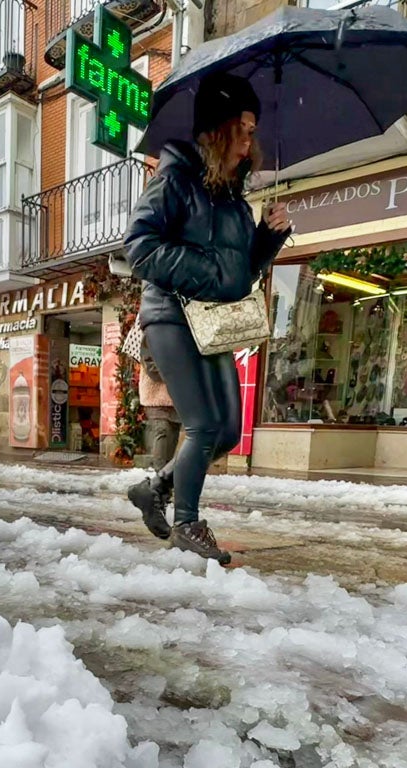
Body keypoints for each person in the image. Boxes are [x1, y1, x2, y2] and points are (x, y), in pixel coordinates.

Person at [123, 71, 292, 563]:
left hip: (213, 321)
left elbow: (241, 274)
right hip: (172, 316)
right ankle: (188, 524)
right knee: (202, 424)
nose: (249, 139)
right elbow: (140, 246)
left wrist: (267, 238)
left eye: (253, 129)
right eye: (242, 128)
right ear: (217, 129)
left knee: (228, 432)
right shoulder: (174, 179)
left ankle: (155, 489)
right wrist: (207, 272)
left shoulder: (236, 202)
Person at [127, 343, 182, 539]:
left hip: (177, 399)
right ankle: (155, 499)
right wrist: (180, 373)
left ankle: (159, 500)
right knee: (163, 440)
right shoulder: (153, 326)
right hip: (158, 398)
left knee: (171, 453)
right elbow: (151, 365)